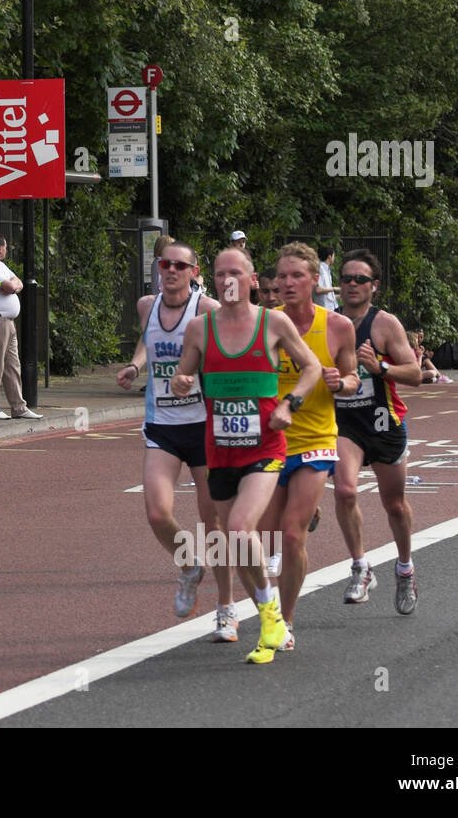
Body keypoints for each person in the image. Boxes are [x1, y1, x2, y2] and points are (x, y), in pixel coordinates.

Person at [170, 245, 322, 664]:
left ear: (253, 280)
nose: (228, 280)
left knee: (238, 529)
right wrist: (181, 383)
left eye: (236, 272)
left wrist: (290, 405)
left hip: (265, 447)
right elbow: (183, 374)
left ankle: (271, 617)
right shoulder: (200, 329)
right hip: (219, 450)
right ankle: (270, 615)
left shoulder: (273, 323)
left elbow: (310, 367)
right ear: (213, 281)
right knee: (236, 544)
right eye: (220, 274)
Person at [115, 242, 236, 638]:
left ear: (194, 271)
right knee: (156, 513)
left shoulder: (207, 310)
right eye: (165, 264)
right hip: (162, 424)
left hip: (202, 425)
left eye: (179, 266)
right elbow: (149, 342)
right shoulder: (146, 305)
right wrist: (135, 366)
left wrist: (195, 375)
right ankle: (188, 565)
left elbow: (228, 354)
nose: (171, 271)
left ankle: (226, 607)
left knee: (213, 520)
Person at [258, 241, 359, 653]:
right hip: (271, 441)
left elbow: (353, 378)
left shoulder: (337, 326)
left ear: (314, 280)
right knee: (258, 538)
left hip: (316, 439)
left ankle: (285, 620)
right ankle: (264, 607)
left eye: (296, 275)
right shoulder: (264, 322)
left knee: (291, 534)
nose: (287, 283)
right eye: (281, 276)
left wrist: (343, 383)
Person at [331, 250, 423, 615]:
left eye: (360, 279)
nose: (352, 285)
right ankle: (360, 566)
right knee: (345, 490)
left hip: (384, 422)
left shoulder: (385, 324)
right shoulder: (329, 323)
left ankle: (405, 568)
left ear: (374, 286)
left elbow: (415, 375)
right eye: (346, 278)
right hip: (345, 424)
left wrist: (380, 366)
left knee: (395, 506)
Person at [0, 233, 42, 420]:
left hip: (7, 322)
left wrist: (15, 284)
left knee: (13, 366)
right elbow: (10, 286)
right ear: (0, 248)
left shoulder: (0, 266)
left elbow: (18, 282)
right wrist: (14, 285)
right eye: (5, 246)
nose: (6, 249)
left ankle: (19, 407)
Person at [315, 245, 338, 310]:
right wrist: (336, 289)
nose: (334, 257)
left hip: (331, 309)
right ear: (329, 256)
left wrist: (340, 296)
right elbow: (318, 290)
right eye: (334, 255)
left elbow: (328, 296)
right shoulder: (320, 269)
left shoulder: (326, 269)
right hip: (324, 310)